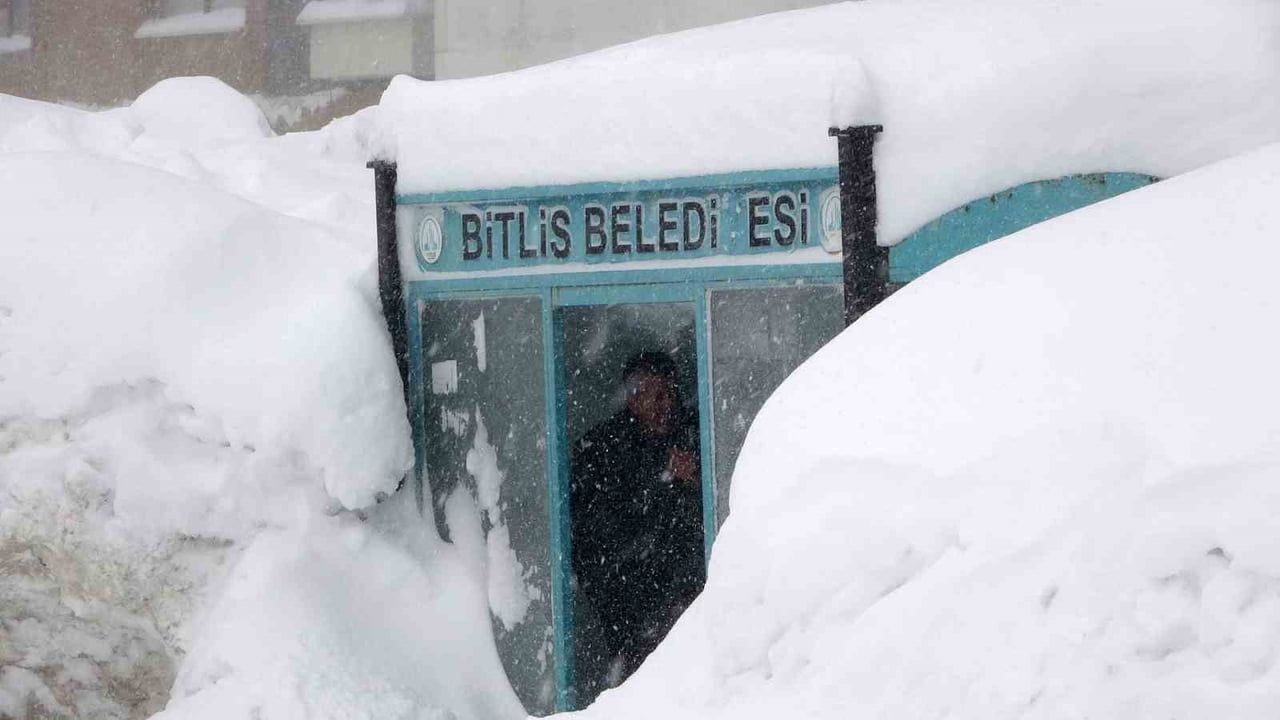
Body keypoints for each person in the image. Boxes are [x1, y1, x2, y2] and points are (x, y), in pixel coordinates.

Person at [570, 351, 705, 684]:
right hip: (630, 600)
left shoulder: (699, 431)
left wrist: (699, 480)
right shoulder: (603, 449)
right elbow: (601, 529)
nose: (666, 405)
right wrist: (662, 479)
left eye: (671, 393)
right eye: (656, 395)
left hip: (691, 590)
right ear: (633, 398)